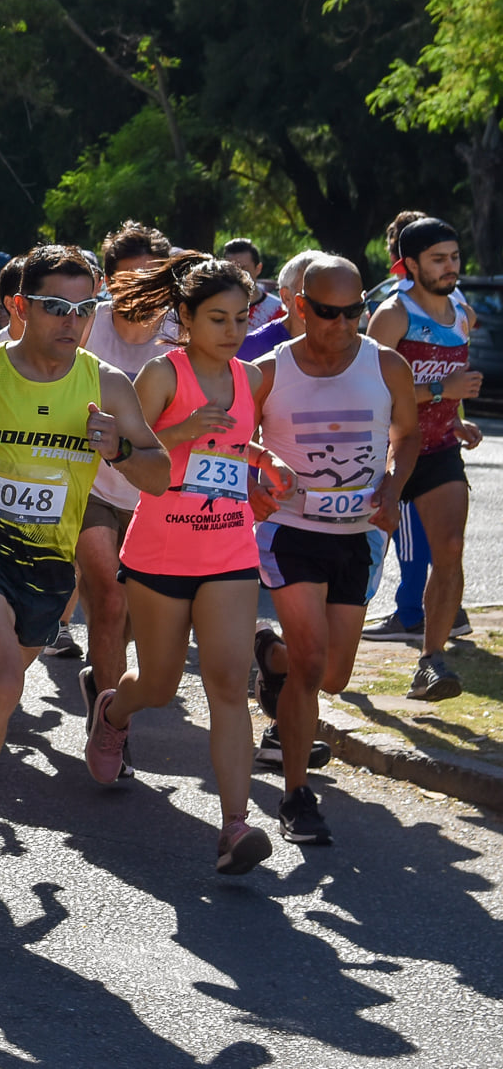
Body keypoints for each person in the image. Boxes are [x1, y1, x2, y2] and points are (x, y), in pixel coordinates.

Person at [0, 245, 169, 891]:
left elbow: (157, 475)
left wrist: (120, 447)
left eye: (84, 308)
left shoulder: (107, 385)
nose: (70, 321)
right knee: (4, 682)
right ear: (20, 306)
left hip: (48, 562)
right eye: (53, 307)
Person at [82, 254, 294, 874]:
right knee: (160, 684)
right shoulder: (161, 374)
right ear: (186, 317)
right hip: (161, 550)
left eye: (240, 318)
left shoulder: (252, 378)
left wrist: (264, 463)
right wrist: (181, 433)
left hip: (229, 546)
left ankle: (235, 826)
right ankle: (112, 712)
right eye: (217, 318)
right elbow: (127, 454)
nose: (232, 330)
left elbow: (233, 442)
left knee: (227, 685)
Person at [247, 256, 417, 845]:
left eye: (354, 312)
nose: (343, 324)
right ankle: (296, 796)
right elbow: (234, 438)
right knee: (314, 661)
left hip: (358, 535)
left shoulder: (386, 365)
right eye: (328, 312)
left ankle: (271, 661)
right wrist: (251, 482)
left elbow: (409, 433)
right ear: (300, 307)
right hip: (291, 531)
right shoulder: (269, 371)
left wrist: (392, 486)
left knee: (334, 676)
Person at [364, 217, 480, 701]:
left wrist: (456, 418)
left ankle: (431, 660)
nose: (450, 267)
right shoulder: (393, 315)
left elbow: (454, 384)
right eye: (438, 259)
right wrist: (439, 391)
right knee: (359, 565)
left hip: (437, 451)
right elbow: (369, 391)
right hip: (383, 452)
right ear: (410, 264)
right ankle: (312, 657)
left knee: (449, 549)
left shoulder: (462, 312)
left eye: (454, 257)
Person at [73, 222, 172, 742]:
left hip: (152, 490)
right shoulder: (89, 325)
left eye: (152, 277)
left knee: (129, 615)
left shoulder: (179, 332)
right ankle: (112, 732)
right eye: (129, 278)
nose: (141, 289)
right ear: (108, 282)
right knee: (109, 601)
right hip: (88, 484)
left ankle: (101, 679)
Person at [238, 250, 320, 363]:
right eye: (310, 292)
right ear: (286, 297)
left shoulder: (343, 341)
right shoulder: (253, 346)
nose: (323, 301)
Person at [221, 238, 285, 334]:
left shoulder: (278, 309)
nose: (237, 275)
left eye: (244, 269)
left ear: (258, 269)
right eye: (231, 269)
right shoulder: (215, 308)